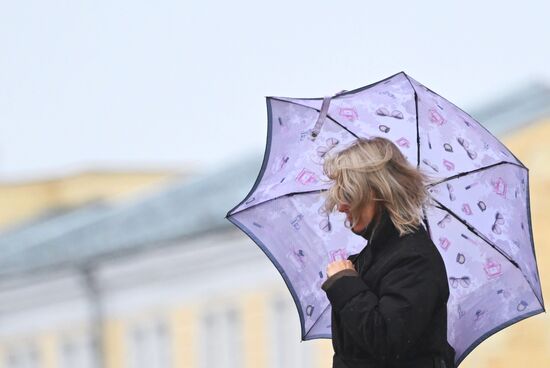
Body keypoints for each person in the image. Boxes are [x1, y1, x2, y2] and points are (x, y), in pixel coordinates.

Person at [320, 137, 456, 368]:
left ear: (376, 191)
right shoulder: (370, 257)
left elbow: (386, 340)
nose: (341, 206)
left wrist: (346, 285)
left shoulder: (414, 259)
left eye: (348, 194)